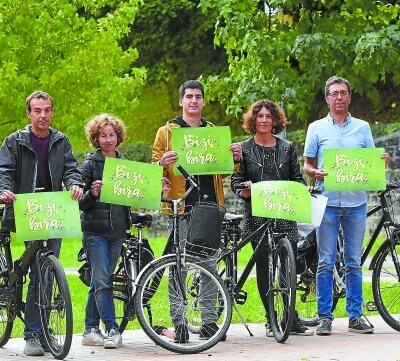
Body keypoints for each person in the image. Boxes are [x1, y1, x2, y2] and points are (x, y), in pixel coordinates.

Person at [0, 90, 83, 356]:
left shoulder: (61, 140)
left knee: (46, 270)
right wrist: (4, 190)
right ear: (29, 113)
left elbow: (70, 168)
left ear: (52, 112)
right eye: (37, 111)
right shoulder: (14, 141)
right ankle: (33, 333)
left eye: (47, 110)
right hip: (25, 210)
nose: (43, 115)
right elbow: (3, 171)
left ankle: (42, 329)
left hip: (54, 210)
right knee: (35, 271)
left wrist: (75, 184)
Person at [152, 80, 242, 342]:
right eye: (189, 96)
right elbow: (153, 168)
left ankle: (209, 323)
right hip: (181, 207)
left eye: (198, 96)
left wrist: (235, 160)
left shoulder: (212, 131)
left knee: (208, 266)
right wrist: (162, 164)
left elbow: (224, 169)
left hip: (210, 207)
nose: (193, 101)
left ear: (203, 102)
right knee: (178, 266)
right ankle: (179, 323)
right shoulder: (166, 131)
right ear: (181, 101)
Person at [303, 76, 390, 336]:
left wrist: (381, 160)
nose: (339, 97)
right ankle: (324, 318)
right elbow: (307, 165)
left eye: (343, 92)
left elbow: (371, 163)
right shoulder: (316, 128)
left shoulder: (363, 128)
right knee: (325, 262)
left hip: (355, 205)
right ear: (327, 98)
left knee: (353, 262)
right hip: (327, 203)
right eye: (334, 93)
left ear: (350, 96)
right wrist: (314, 172)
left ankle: (355, 315)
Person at [230, 99, 313, 337]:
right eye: (260, 116)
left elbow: (296, 178)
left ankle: (289, 316)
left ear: (275, 120)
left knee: (288, 268)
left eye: (269, 116)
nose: (264, 120)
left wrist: (303, 188)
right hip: (257, 217)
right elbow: (236, 181)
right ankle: (271, 318)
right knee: (265, 269)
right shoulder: (244, 149)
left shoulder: (286, 147)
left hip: (284, 214)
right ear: (253, 120)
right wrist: (243, 190)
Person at [77, 113, 130, 349]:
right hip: (95, 232)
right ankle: (112, 329)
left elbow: (133, 197)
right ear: (95, 138)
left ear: (118, 136)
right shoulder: (89, 165)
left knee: (100, 281)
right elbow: (79, 203)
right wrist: (92, 193)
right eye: (103, 136)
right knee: (104, 281)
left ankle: (89, 328)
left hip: (117, 232)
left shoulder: (125, 165)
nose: (108, 140)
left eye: (112, 135)